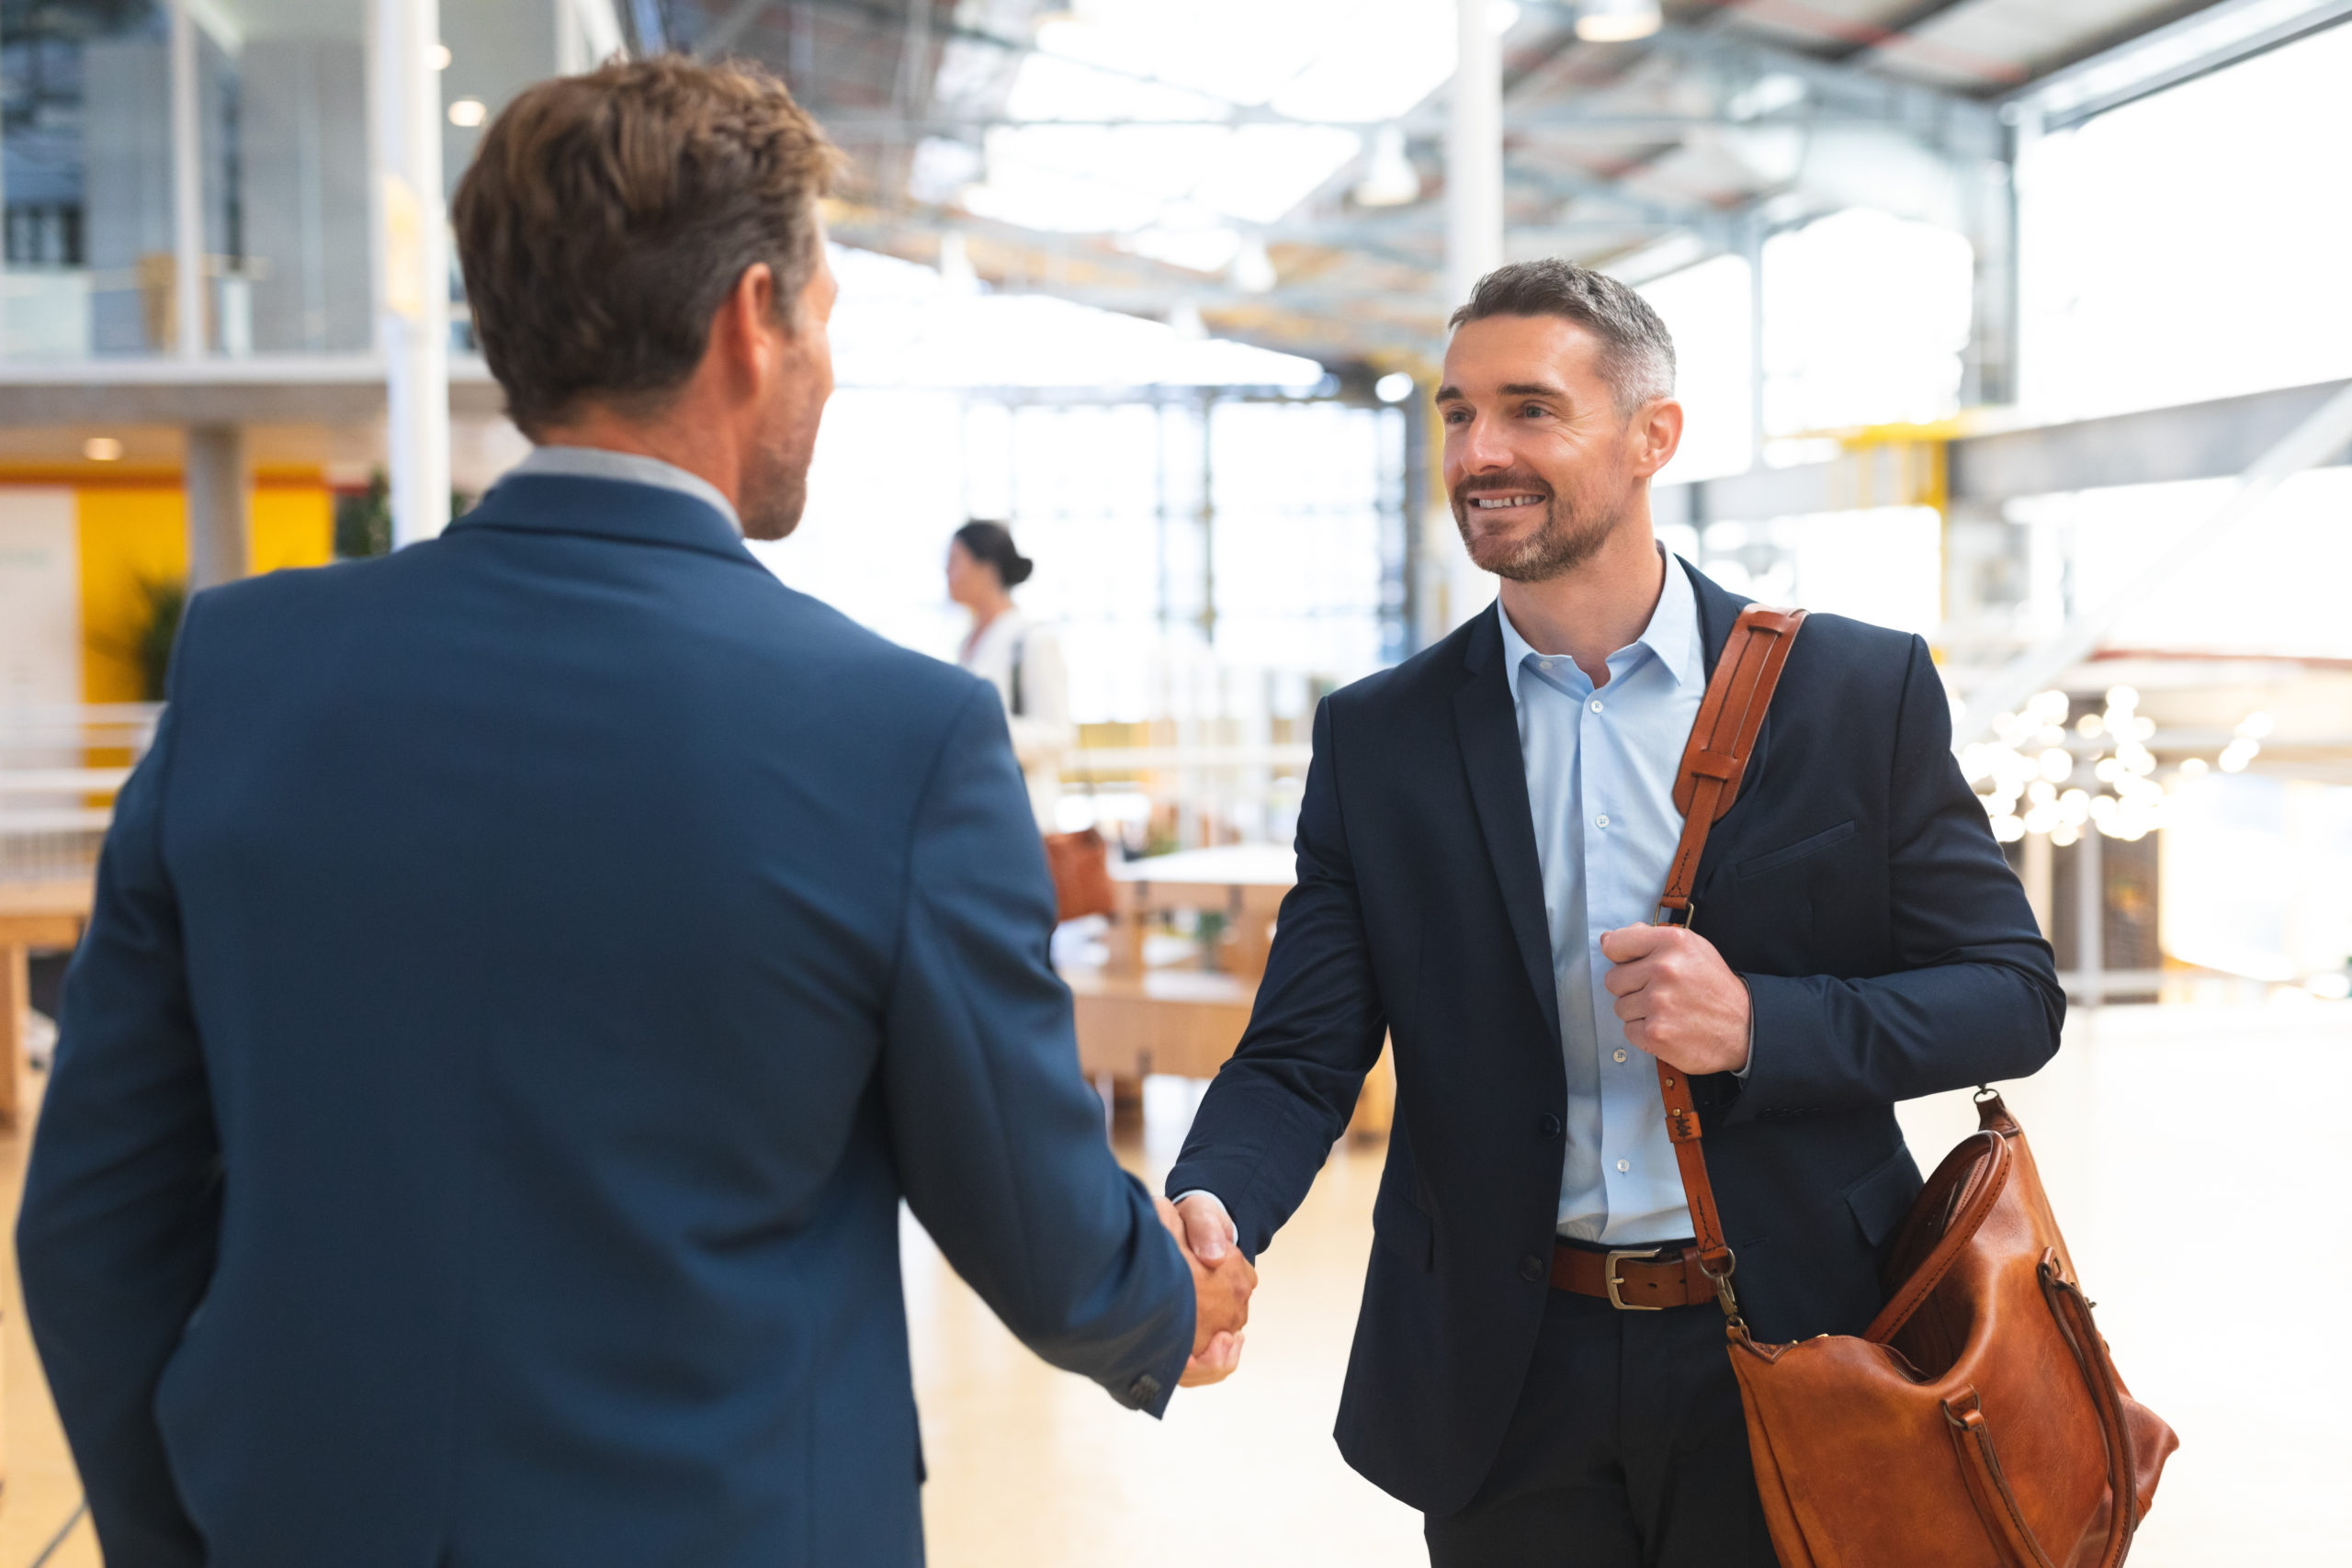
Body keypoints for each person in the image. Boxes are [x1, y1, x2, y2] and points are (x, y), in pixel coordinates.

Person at [17, 57, 1250, 1568]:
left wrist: (187, 1539)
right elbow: (1038, 1229)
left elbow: (90, 1224)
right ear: (750, 319)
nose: (827, 373)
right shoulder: (900, 735)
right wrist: (1169, 1296)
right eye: (823, 320)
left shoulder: (245, 673)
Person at [1164, 259, 2063, 1565]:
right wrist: (1212, 1202)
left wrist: (1758, 1024)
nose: (1479, 451)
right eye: (1458, 413)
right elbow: (1301, 1054)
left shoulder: (1852, 692)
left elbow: (2010, 993)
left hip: (1806, 1340)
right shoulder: (1381, 738)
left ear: (1655, 436)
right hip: (1504, 1371)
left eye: (1530, 409)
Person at [949, 520, 1072, 829]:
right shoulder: (967, 643)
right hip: (977, 811)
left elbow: (1059, 735)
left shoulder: (1031, 640)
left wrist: (980, 731)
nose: (947, 573)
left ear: (986, 569)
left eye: (955, 562)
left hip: (1025, 815)